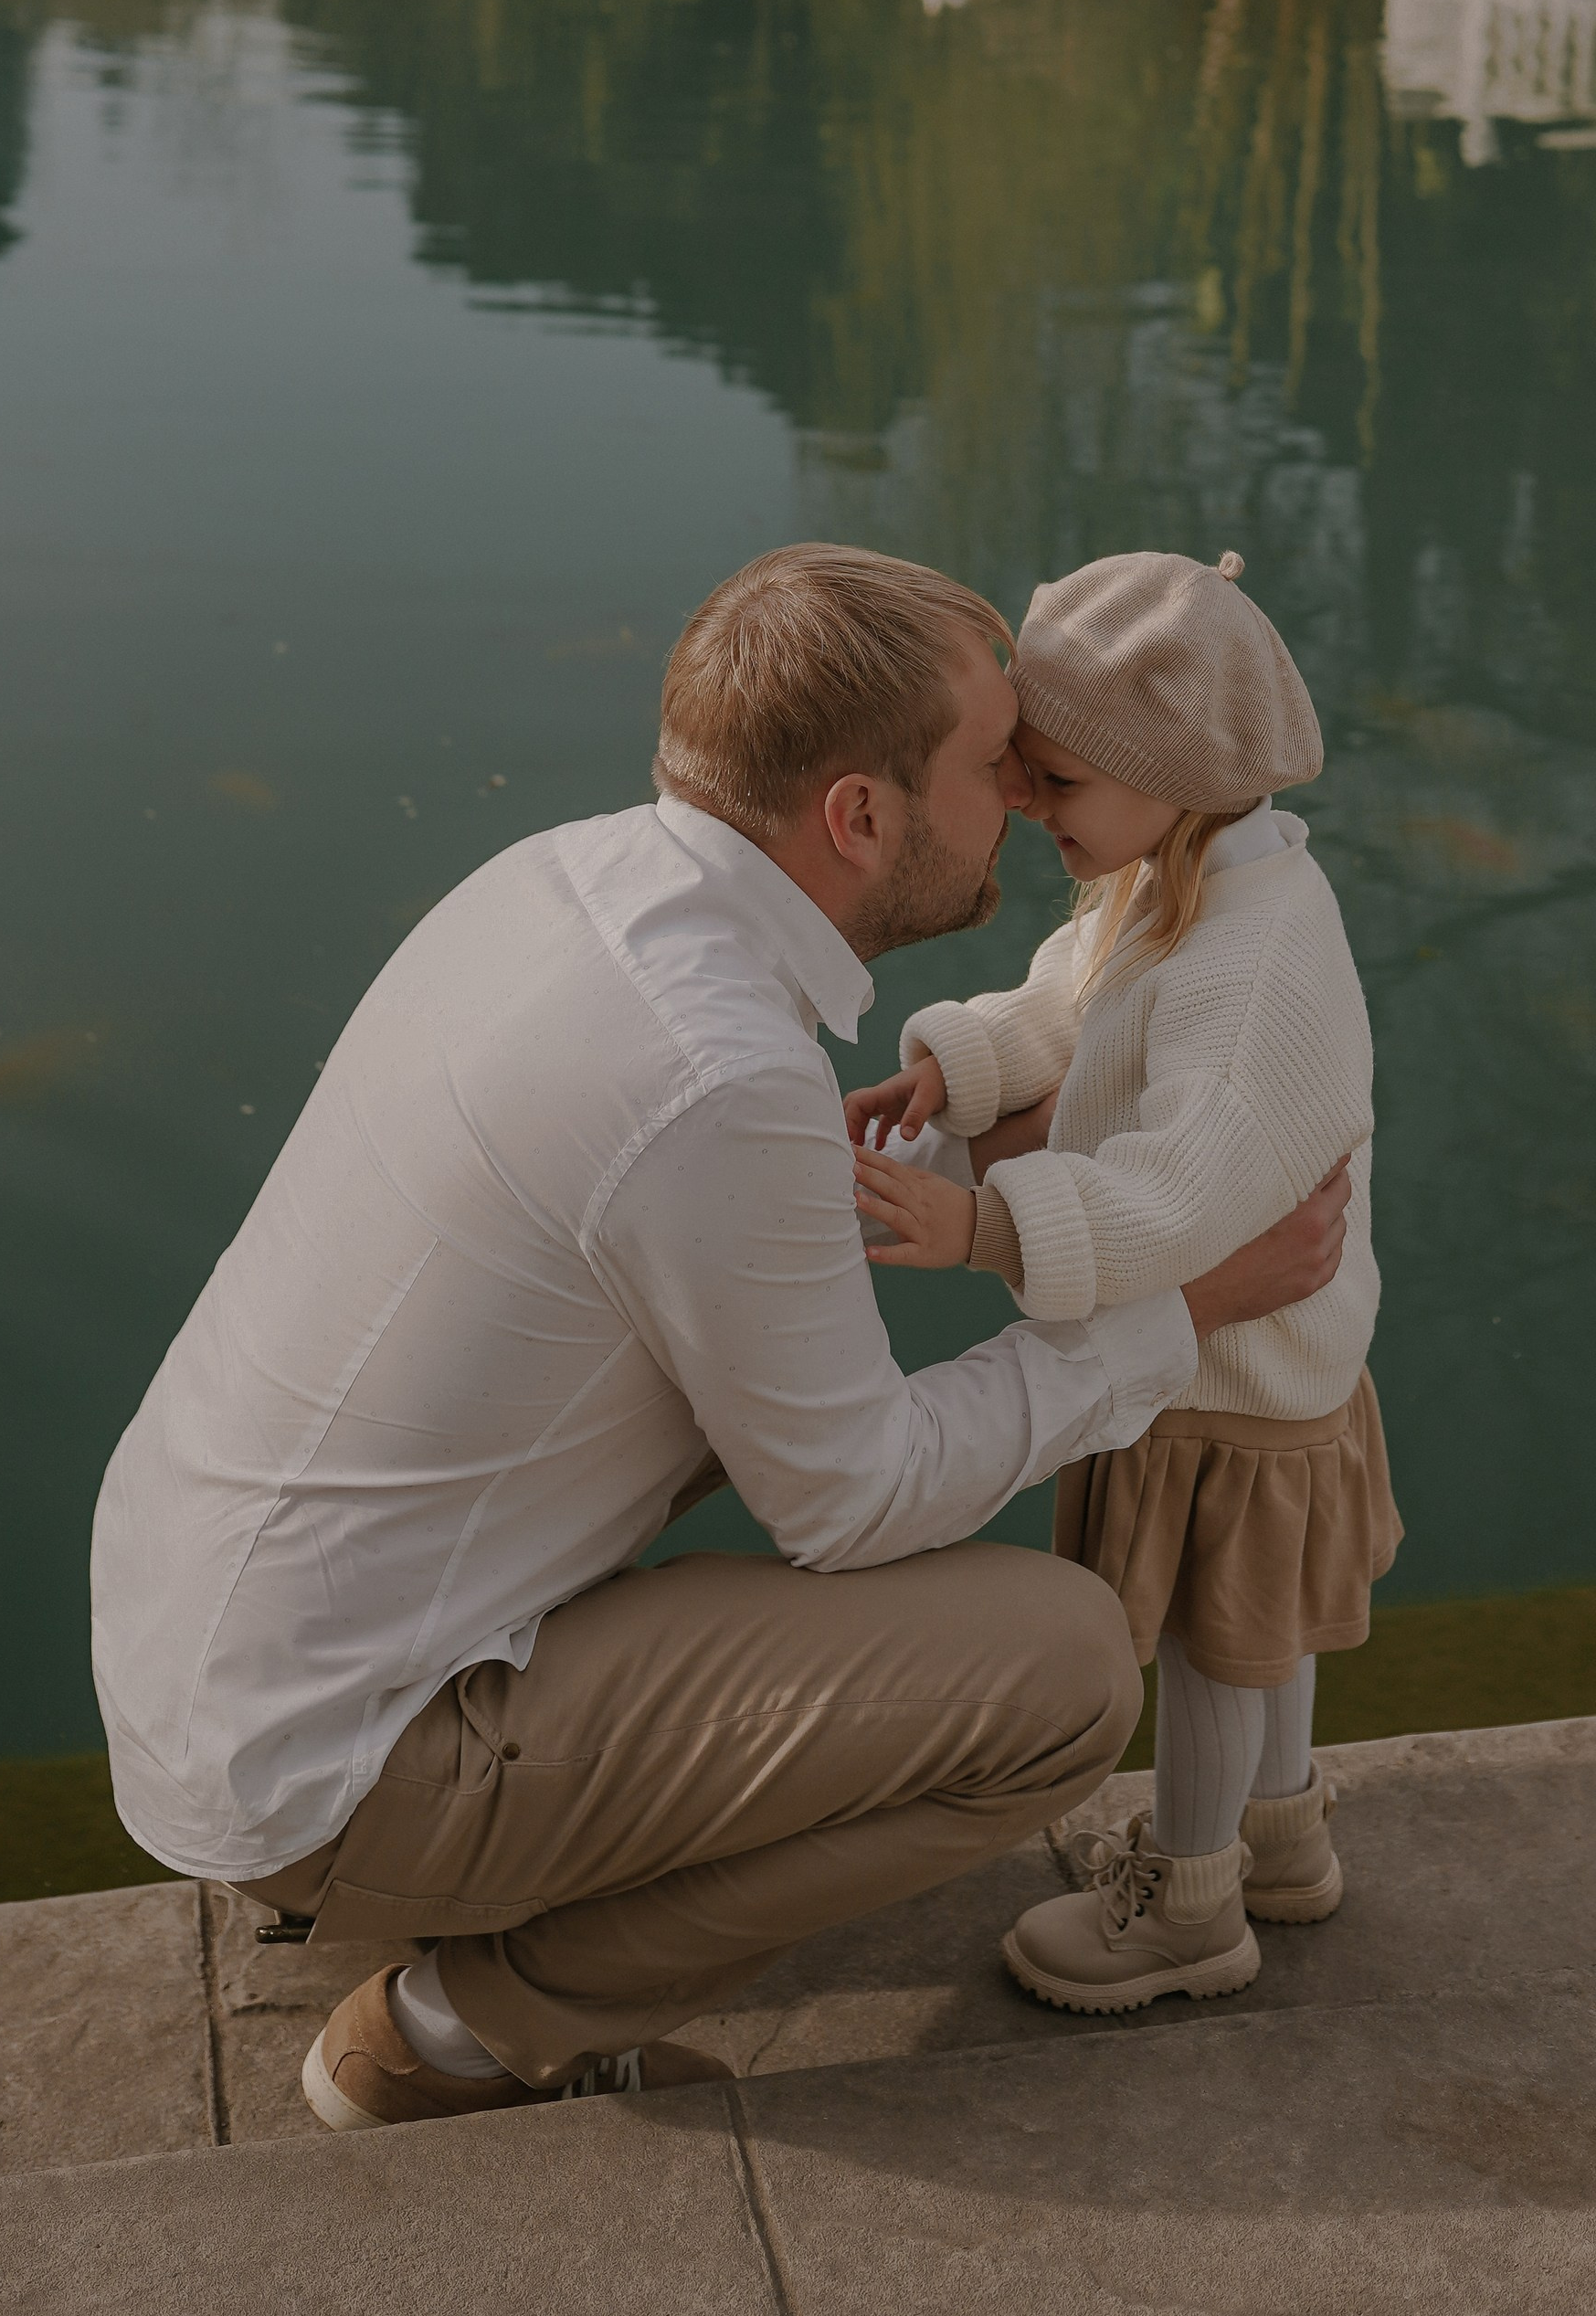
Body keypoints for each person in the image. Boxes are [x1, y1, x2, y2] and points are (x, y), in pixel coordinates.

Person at [90, 543, 1352, 2126]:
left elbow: (709, 1228)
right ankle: (461, 2026)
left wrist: (956, 1169)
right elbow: (855, 1504)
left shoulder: (563, 881)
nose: (1025, 796)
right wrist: (1176, 1315)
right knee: (1067, 1675)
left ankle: (479, 1872)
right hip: (331, 1761)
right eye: (990, 763)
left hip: (217, 1653)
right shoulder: (716, 1075)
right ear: (860, 816)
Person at [850, 548, 1394, 2014]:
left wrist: (981, 1229)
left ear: (1176, 772)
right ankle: (1281, 1841)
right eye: (1022, 769)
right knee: (1259, 1628)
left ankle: (1193, 1909)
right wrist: (943, 1076)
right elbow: (1059, 1009)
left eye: (1057, 782)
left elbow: (1181, 1193)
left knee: (1218, 1648)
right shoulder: (1176, 880)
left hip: (1224, 1389)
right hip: (1278, 1363)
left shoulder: (1254, 967)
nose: (1023, 803)